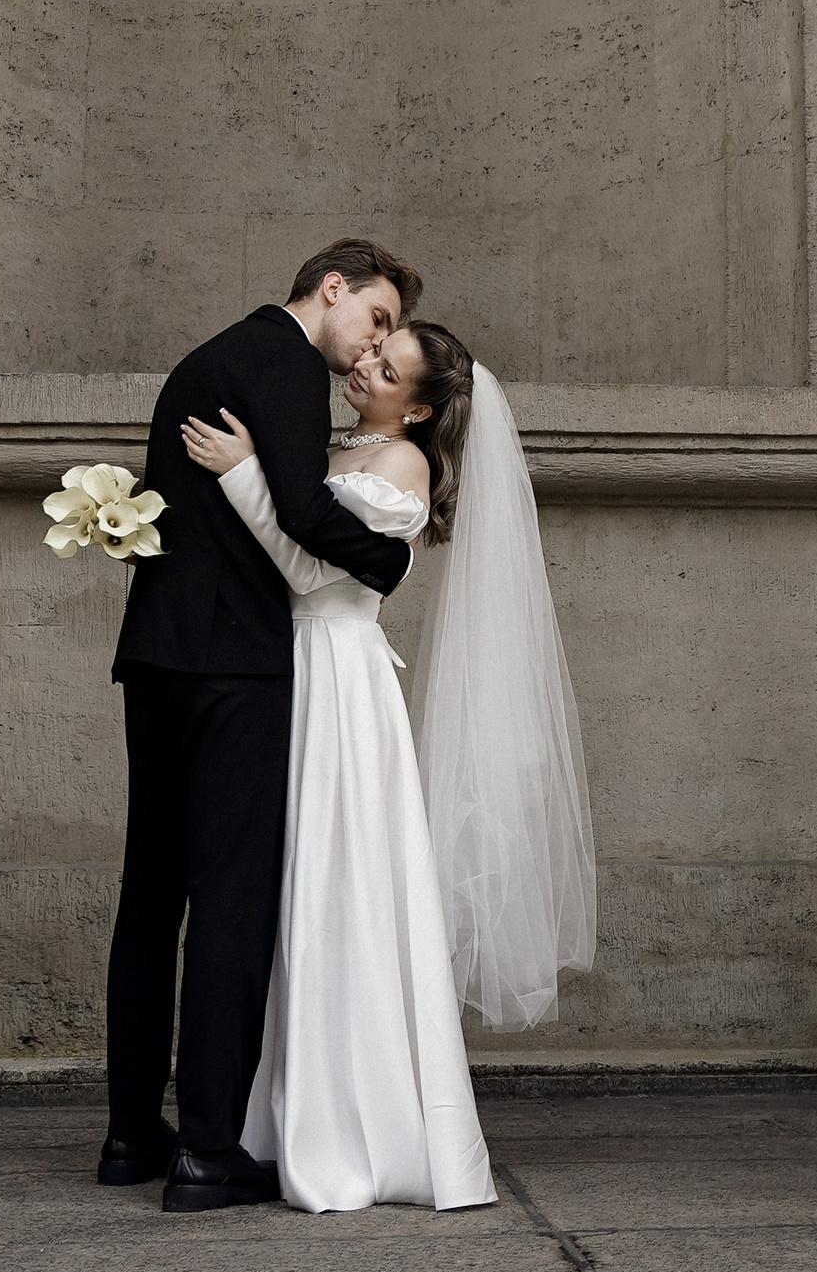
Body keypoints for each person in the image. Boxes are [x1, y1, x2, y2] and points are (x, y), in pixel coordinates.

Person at [180, 319, 596, 1211]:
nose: (365, 363)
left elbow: (306, 567)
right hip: (281, 669)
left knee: (338, 885)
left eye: (388, 365)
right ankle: (267, 1114)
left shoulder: (403, 468)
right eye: (374, 349)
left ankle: (351, 1124)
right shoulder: (330, 441)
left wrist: (244, 472)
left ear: (419, 405)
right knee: (280, 889)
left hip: (336, 677)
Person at [100, 239, 423, 1213]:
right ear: (333, 287)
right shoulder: (281, 362)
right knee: (230, 904)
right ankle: (205, 1152)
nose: (371, 342)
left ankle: (127, 1135)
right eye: (374, 316)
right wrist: (387, 563)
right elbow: (295, 512)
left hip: (156, 656)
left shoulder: (205, 357)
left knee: (150, 898)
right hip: (234, 668)